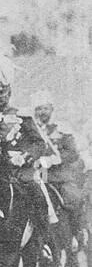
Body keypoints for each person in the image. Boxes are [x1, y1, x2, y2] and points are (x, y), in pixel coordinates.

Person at [0, 53, 55, 235]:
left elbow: (40, 144)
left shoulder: (23, 116)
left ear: (9, 91)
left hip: (20, 171)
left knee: (38, 195)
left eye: (2, 92)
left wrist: (24, 156)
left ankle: (42, 240)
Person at [31, 89, 86, 246]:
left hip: (58, 179)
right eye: (38, 109)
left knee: (73, 197)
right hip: (37, 178)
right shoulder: (30, 132)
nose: (42, 112)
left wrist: (54, 159)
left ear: (52, 109)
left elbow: (73, 153)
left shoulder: (61, 131)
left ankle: (77, 232)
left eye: (45, 108)